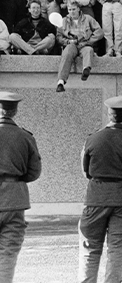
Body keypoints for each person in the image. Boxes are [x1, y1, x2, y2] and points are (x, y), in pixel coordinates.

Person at [78, 95, 122, 283]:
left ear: (109, 115)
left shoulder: (92, 139)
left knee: (90, 250)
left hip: (96, 199)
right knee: (117, 251)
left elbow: (86, 171)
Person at [0, 92, 42, 283]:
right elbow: (34, 171)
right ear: (15, 111)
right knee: (8, 253)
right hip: (14, 198)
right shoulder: (25, 137)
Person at [55, 1, 104, 92]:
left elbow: (99, 32)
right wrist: (67, 41)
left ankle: (86, 69)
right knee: (67, 52)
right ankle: (61, 82)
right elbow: (58, 36)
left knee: (89, 50)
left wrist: (89, 41)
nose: (72, 12)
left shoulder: (88, 18)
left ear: (78, 9)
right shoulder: (63, 21)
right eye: (69, 10)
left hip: (84, 44)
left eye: (74, 9)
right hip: (71, 44)